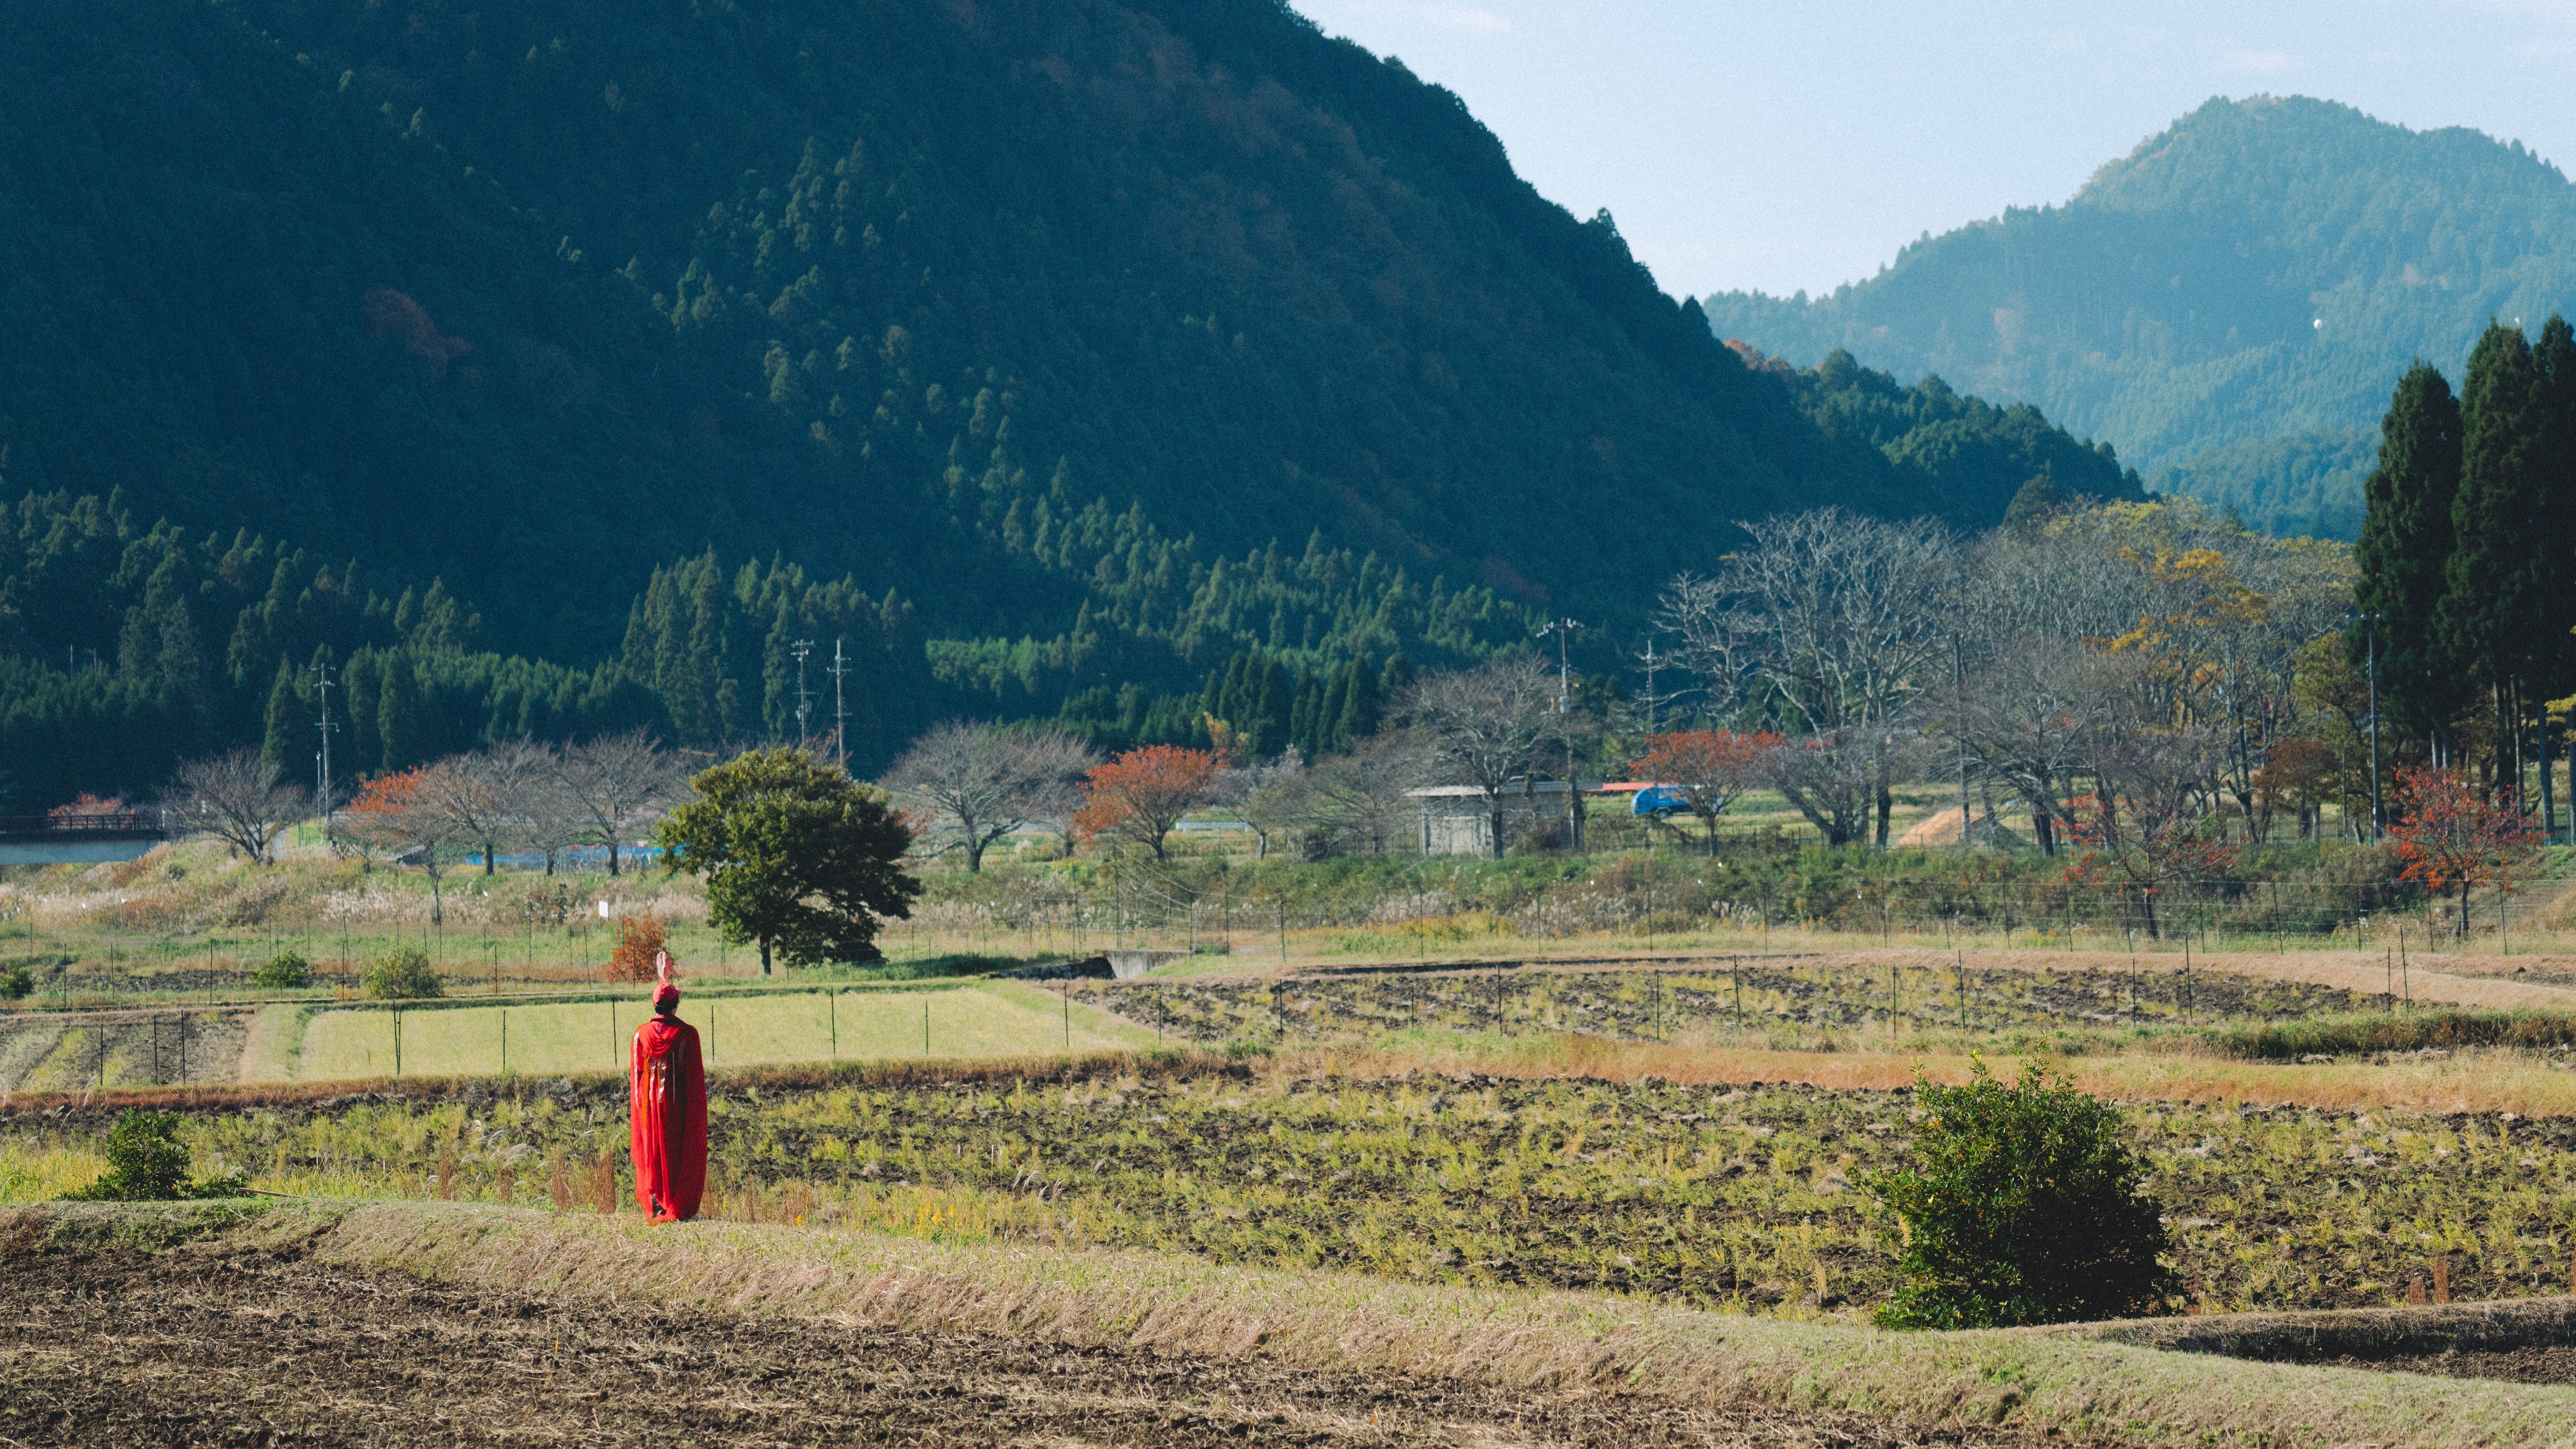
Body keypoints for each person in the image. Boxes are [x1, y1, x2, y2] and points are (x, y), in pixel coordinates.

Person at [629, 951, 707, 1222]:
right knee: (675, 1153)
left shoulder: (640, 1035)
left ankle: (656, 1204)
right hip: (675, 1106)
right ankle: (673, 1202)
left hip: (647, 1107)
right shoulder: (687, 1034)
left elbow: (637, 1076)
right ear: (675, 1006)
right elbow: (693, 1079)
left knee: (652, 1152)